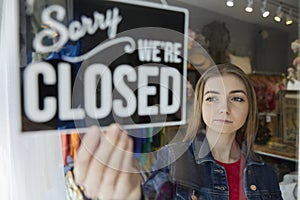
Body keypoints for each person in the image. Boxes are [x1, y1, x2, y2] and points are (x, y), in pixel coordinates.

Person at [74, 63, 283, 200]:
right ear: (200, 105)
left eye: (236, 98)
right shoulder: (174, 158)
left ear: (250, 107)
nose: (224, 108)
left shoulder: (265, 173)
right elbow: (148, 193)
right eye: (212, 98)